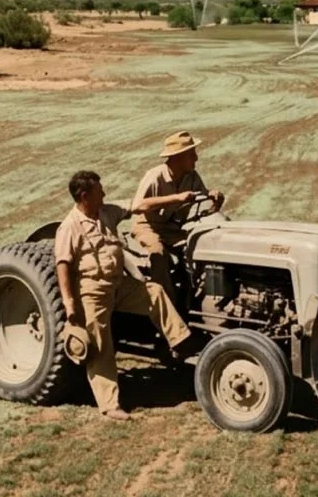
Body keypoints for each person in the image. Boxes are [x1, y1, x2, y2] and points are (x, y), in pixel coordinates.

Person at [55, 169, 194, 422]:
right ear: (85, 196)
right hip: (92, 293)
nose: (104, 193)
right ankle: (110, 405)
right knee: (101, 347)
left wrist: (177, 199)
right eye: (99, 191)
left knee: (154, 292)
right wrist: (69, 303)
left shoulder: (108, 212)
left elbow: (141, 206)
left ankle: (181, 341)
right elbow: (63, 264)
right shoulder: (70, 227)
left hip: (120, 285)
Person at [131, 131, 225, 301]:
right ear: (177, 158)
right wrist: (175, 198)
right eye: (192, 155)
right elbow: (138, 206)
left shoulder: (191, 176)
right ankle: (166, 304)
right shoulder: (155, 176)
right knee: (158, 255)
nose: (196, 158)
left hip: (172, 228)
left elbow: (200, 196)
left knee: (198, 248)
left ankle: (195, 297)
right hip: (148, 226)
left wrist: (213, 195)